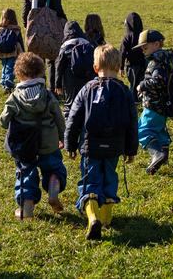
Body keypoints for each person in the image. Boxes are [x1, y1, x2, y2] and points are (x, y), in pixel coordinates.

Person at [64, 44, 138, 241]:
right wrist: (131, 149)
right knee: (109, 177)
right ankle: (106, 218)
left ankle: (92, 217)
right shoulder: (124, 91)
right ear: (119, 67)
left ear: (95, 67)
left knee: (90, 181)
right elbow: (132, 122)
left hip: (90, 146)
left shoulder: (87, 89)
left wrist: (70, 144)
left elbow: (74, 118)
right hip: (115, 147)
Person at [0, 53, 68, 220]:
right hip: (49, 143)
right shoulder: (48, 95)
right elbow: (59, 118)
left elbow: (3, 120)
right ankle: (53, 187)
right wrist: (62, 137)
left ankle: (27, 209)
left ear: (19, 74)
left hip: (25, 145)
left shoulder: (15, 97)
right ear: (41, 72)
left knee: (26, 173)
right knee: (53, 168)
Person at [134, 29, 173, 174]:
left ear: (157, 44)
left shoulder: (156, 61)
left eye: (145, 47)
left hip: (154, 104)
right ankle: (163, 154)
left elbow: (158, 81)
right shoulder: (165, 60)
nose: (142, 50)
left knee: (143, 130)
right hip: (162, 103)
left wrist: (142, 85)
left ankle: (157, 154)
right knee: (158, 129)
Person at [54, 20, 95, 106]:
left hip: (70, 80)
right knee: (86, 102)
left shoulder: (65, 47)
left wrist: (58, 85)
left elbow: (59, 67)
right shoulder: (87, 44)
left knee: (71, 104)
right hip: (86, 78)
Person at [0, 8, 25, 92]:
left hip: (2, 53)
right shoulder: (16, 30)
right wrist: (23, 53)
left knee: (4, 67)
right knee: (10, 68)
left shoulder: (0, 30)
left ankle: (3, 82)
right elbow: (20, 42)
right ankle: (8, 82)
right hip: (13, 53)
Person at [119, 12, 147, 90]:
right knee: (141, 83)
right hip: (143, 64)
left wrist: (121, 67)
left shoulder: (127, 37)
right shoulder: (143, 36)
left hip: (131, 66)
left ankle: (133, 97)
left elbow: (122, 53)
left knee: (133, 85)